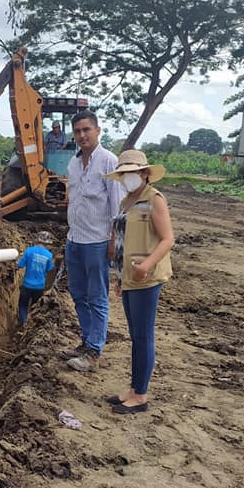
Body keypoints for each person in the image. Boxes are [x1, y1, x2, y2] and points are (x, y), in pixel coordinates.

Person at [106, 150, 174, 413]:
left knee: (143, 336)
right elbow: (122, 240)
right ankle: (134, 389)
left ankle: (141, 395)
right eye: (124, 173)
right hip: (129, 277)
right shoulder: (126, 202)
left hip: (146, 278)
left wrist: (146, 265)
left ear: (145, 174)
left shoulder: (154, 200)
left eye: (132, 173)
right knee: (135, 335)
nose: (128, 177)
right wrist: (119, 276)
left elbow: (167, 239)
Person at [61, 111, 123, 372]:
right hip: (74, 239)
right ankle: (86, 341)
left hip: (98, 242)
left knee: (96, 297)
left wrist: (113, 242)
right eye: (77, 131)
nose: (82, 135)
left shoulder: (109, 162)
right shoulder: (73, 163)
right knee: (78, 294)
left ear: (98, 131)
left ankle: (94, 350)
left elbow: (117, 206)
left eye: (86, 129)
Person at [15, 231, 55, 326]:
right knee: (34, 307)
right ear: (47, 243)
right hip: (39, 287)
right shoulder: (49, 255)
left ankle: (23, 323)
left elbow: (19, 265)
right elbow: (49, 269)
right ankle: (30, 325)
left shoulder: (29, 251)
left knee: (23, 305)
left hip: (27, 285)